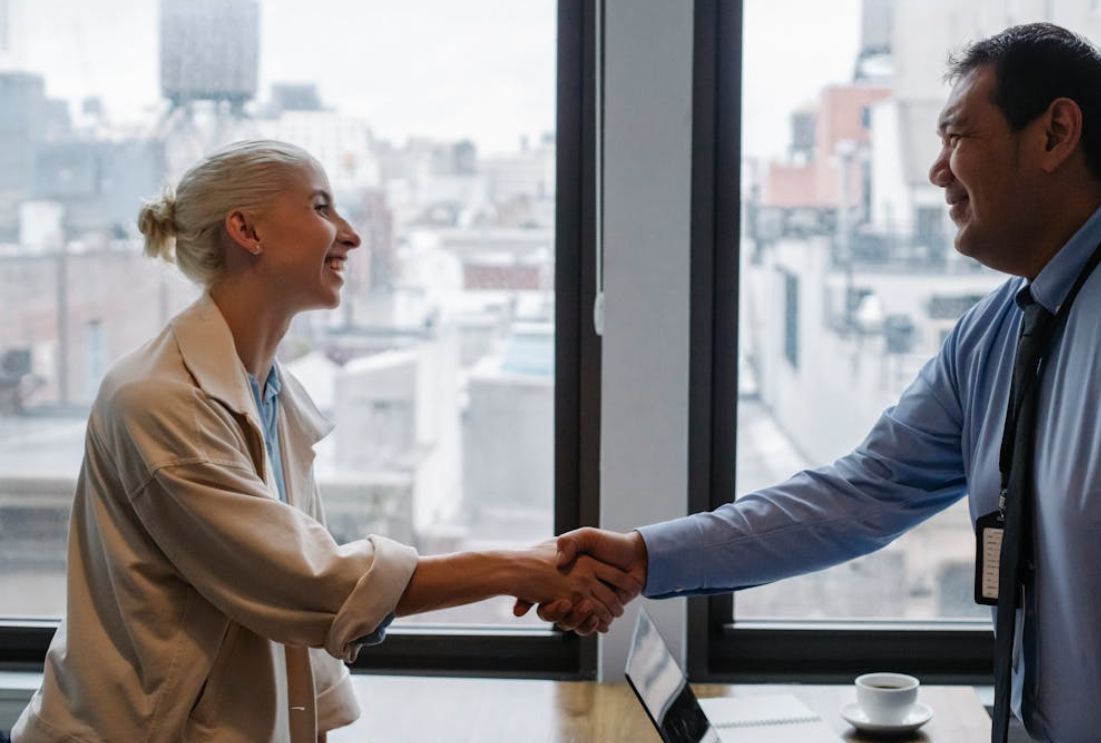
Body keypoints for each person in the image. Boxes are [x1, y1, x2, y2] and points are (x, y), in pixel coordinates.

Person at [519, 23, 1101, 743]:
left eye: (956, 136)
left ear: (1055, 134)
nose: (936, 171)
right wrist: (645, 556)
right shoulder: (998, 327)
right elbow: (859, 494)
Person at [12, 140, 640, 743]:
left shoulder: (267, 390)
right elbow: (308, 583)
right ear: (246, 231)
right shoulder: (161, 399)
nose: (350, 233)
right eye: (319, 207)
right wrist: (516, 569)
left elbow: (285, 615)